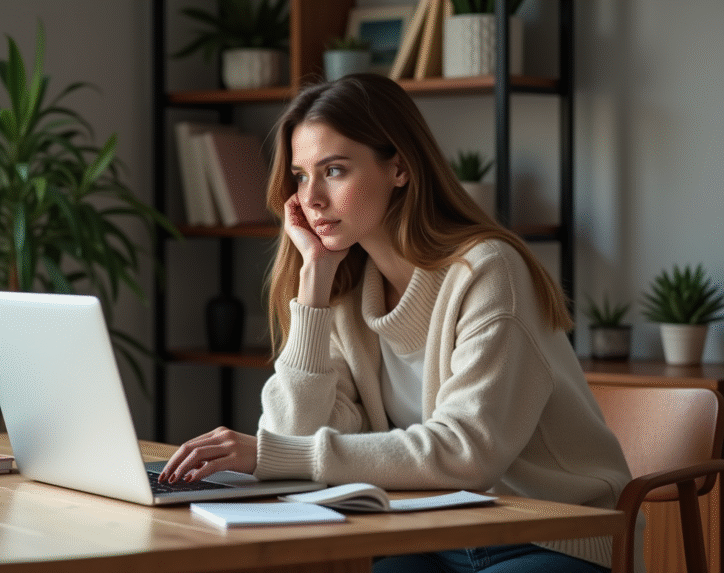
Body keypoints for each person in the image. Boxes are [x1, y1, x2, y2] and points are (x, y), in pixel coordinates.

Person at [159, 74, 643, 573]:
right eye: (302, 176)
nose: (313, 198)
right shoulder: (345, 293)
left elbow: (466, 453)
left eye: (335, 170)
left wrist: (271, 455)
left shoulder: (487, 271)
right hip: (432, 535)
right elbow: (291, 438)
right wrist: (313, 286)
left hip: (552, 537)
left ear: (400, 169)